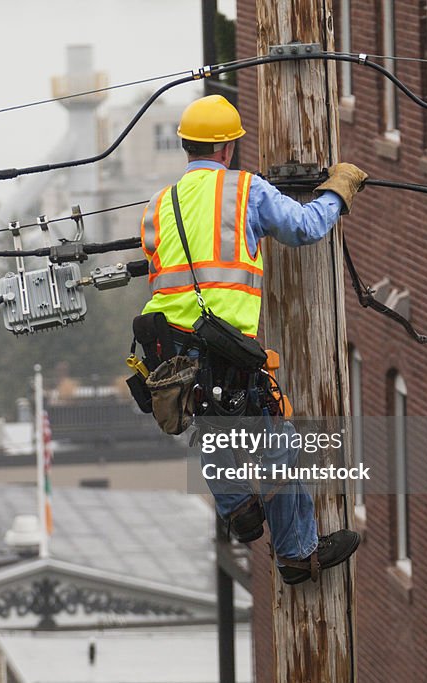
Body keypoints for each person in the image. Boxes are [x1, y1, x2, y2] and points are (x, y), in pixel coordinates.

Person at [138, 94, 365, 585]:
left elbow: (159, 270)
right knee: (278, 442)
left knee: (213, 428)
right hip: (225, 343)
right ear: (228, 149)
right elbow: (305, 228)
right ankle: (297, 555)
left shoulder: (157, 206)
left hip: (171, 355)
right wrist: (338, 191)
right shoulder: (247, 191)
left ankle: (238, 506)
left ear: (186, 146)